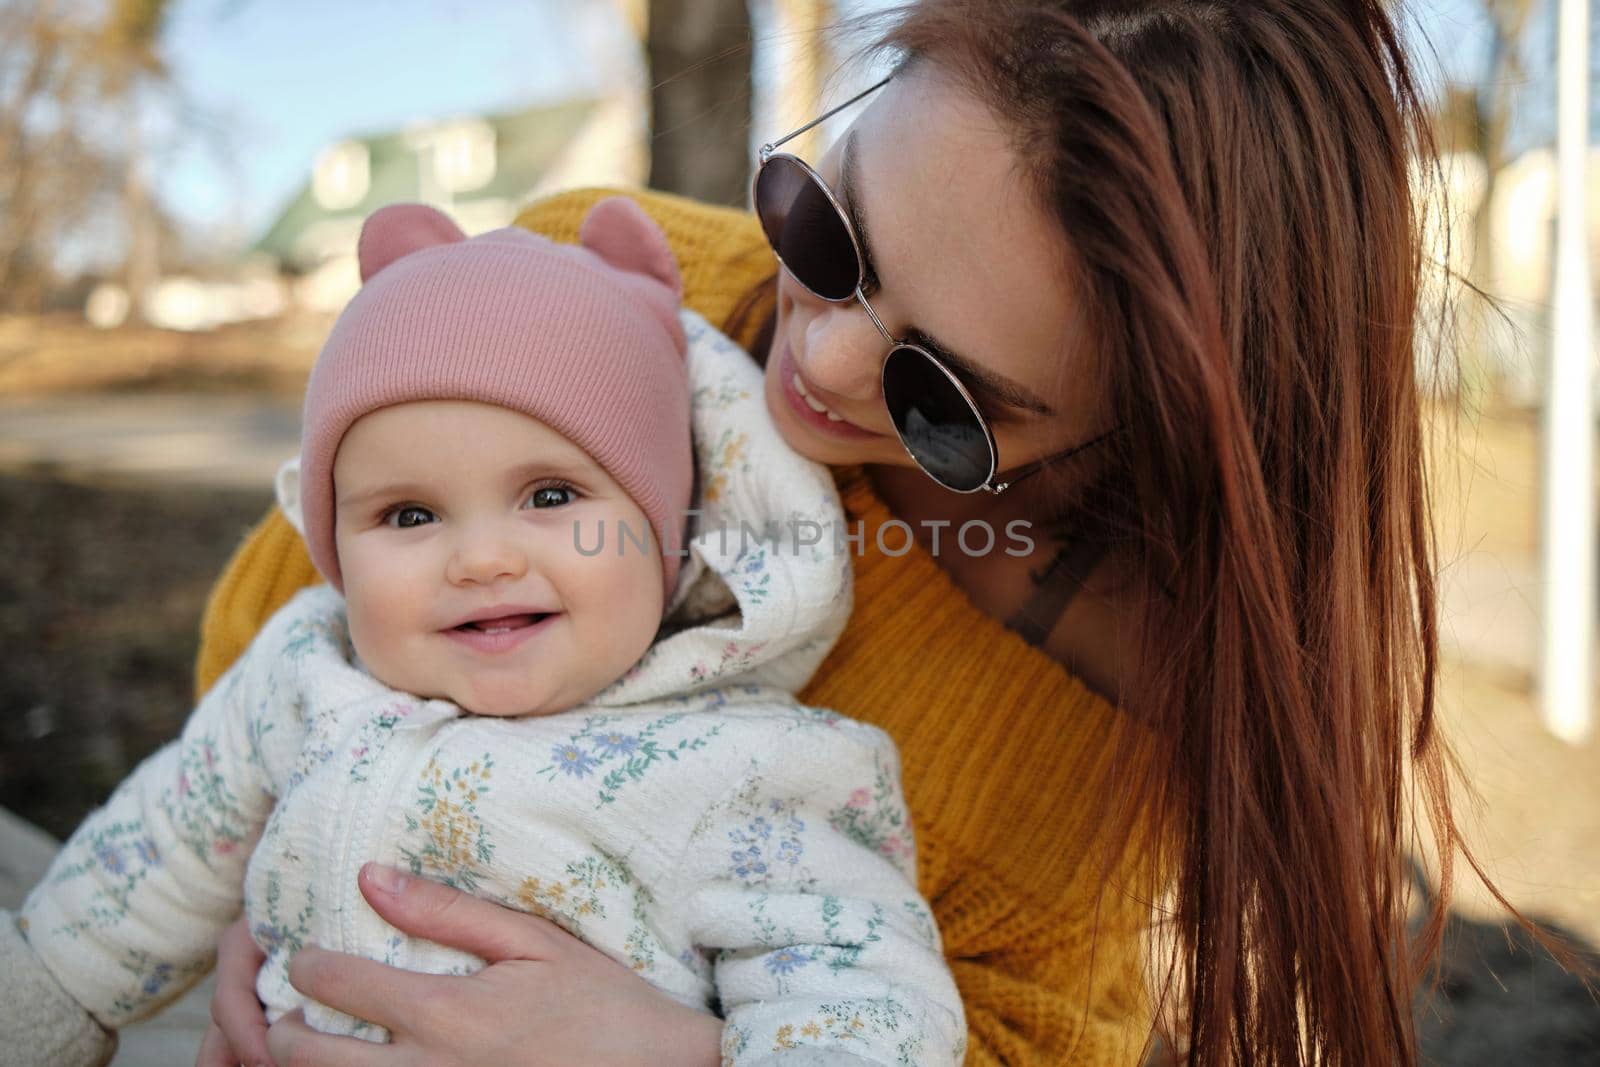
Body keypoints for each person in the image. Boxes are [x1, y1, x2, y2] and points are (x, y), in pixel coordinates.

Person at [171, 0, 1485, 1063]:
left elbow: (1024, 1036)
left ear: (1136, 431)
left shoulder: (1118, 690)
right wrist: (284, 892)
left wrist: (677, 1053)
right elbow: (276, 630)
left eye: (948, 397)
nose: (825, 357)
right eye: (830, 226)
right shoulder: (601, 278)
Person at [0, 197, 967, 1066]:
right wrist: (41, 999)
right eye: (410, 515)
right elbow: (164, 841)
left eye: (550, 495)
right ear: (335, 542)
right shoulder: (309, 667)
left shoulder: (744, 766)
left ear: (670, 535)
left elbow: (866, 995)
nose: (482, 559)